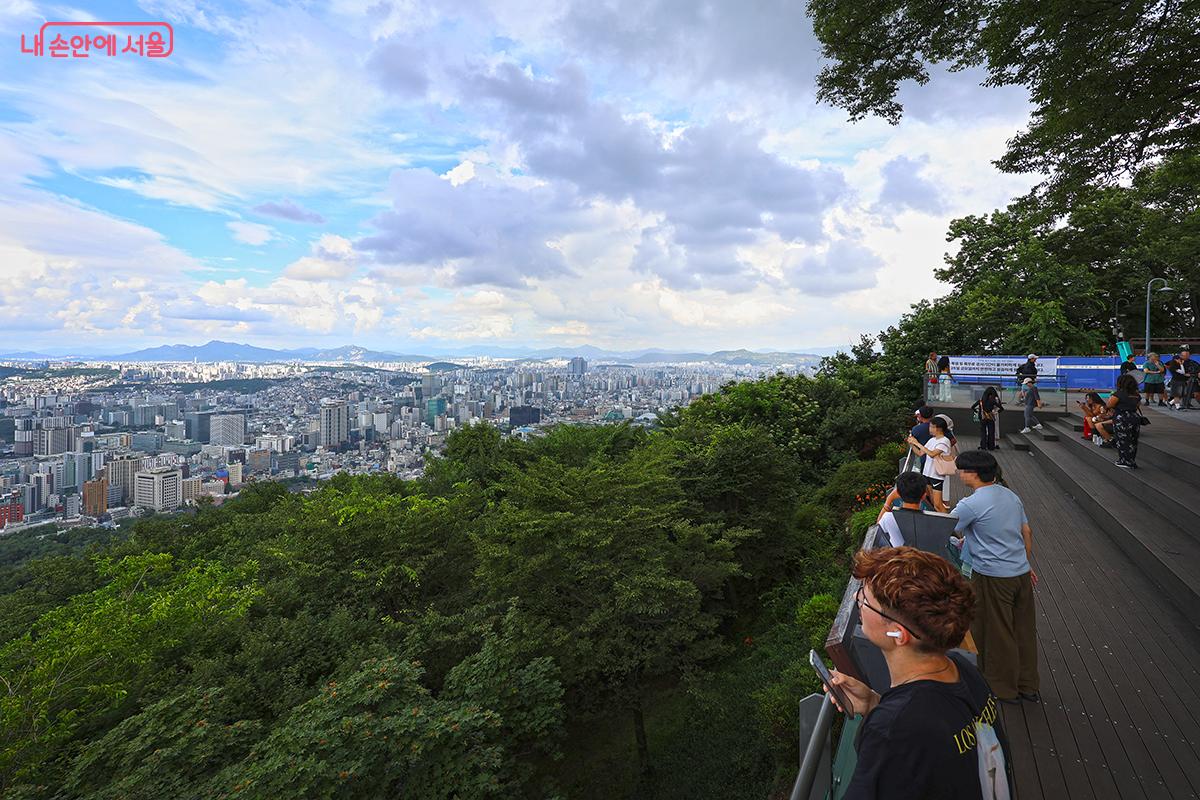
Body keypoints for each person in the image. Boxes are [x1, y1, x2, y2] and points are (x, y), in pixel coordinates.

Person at [826, 547, 1013, 800]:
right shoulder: (962, 669)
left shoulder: (891, 732)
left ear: (898, 634)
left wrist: (886, 717)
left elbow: (909, 735)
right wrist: (873, 704)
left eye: (864, 599)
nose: (856, 599)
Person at [951, 449, 1039, 705]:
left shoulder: (971, 504)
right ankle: (1028, 685)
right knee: (1023, 630)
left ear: (974, 473)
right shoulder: (1010, 495)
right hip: (1020, 573)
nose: (959, 474)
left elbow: (945, 526)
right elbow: (1026, 531)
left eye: (962, 470)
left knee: (996, 631)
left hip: (993, 576)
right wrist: (1025, 562)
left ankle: (1003, 688)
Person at [906, 417, 953, 513]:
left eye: (931, 427)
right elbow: (920, 453)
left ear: (938, 428)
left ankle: (947, 520)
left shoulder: (944, 441)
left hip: (936, 475)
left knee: (938, 504)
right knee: (932, 501)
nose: (929, 429)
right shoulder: (932, 440)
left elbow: (932, 454)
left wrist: (917, 443)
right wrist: (912, 444)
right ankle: (938, 517)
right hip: (927, 473)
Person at [877, 471, 929, 546]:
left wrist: (889, 499)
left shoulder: (888, 518)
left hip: (899, 553)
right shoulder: (930, 520)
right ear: (924, 496)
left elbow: (877, 530)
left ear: (898, 493)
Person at [1106, 373, 1143, 469]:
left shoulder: (1119, 394)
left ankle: (1125, 460)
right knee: (1133, 440)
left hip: (1122, 418)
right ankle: (1131, 460)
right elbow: (1137, 405)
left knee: (1122, 439)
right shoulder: (1136, 395)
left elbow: (1109, 404)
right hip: (1134, 417)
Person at [971, 386, 1003, 451]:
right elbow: (1001, 408)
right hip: (990, 418)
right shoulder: (993, 401)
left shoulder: (981, 400)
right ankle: (991, 446)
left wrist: (977, 411)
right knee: (991, 432)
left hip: (983, 418)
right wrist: (996, 412)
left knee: (983, 432)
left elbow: (973, 407)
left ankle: (983, 446)